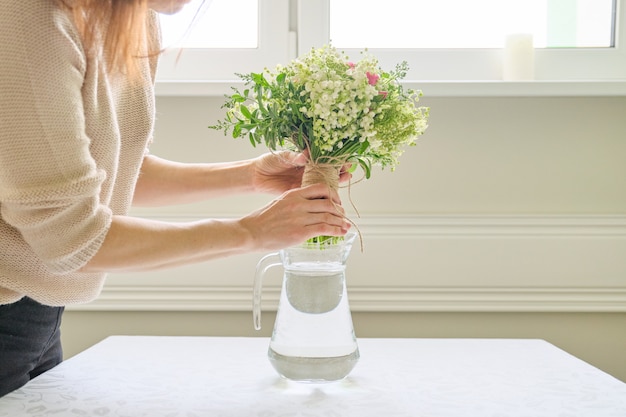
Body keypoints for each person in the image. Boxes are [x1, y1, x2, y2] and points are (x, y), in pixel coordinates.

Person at [0, 0, 350, 397]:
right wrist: (250, 232)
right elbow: (70, 236)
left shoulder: (133, 13)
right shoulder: (27, 17)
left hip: (40, 311)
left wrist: (249, 176)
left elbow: (117, 169)